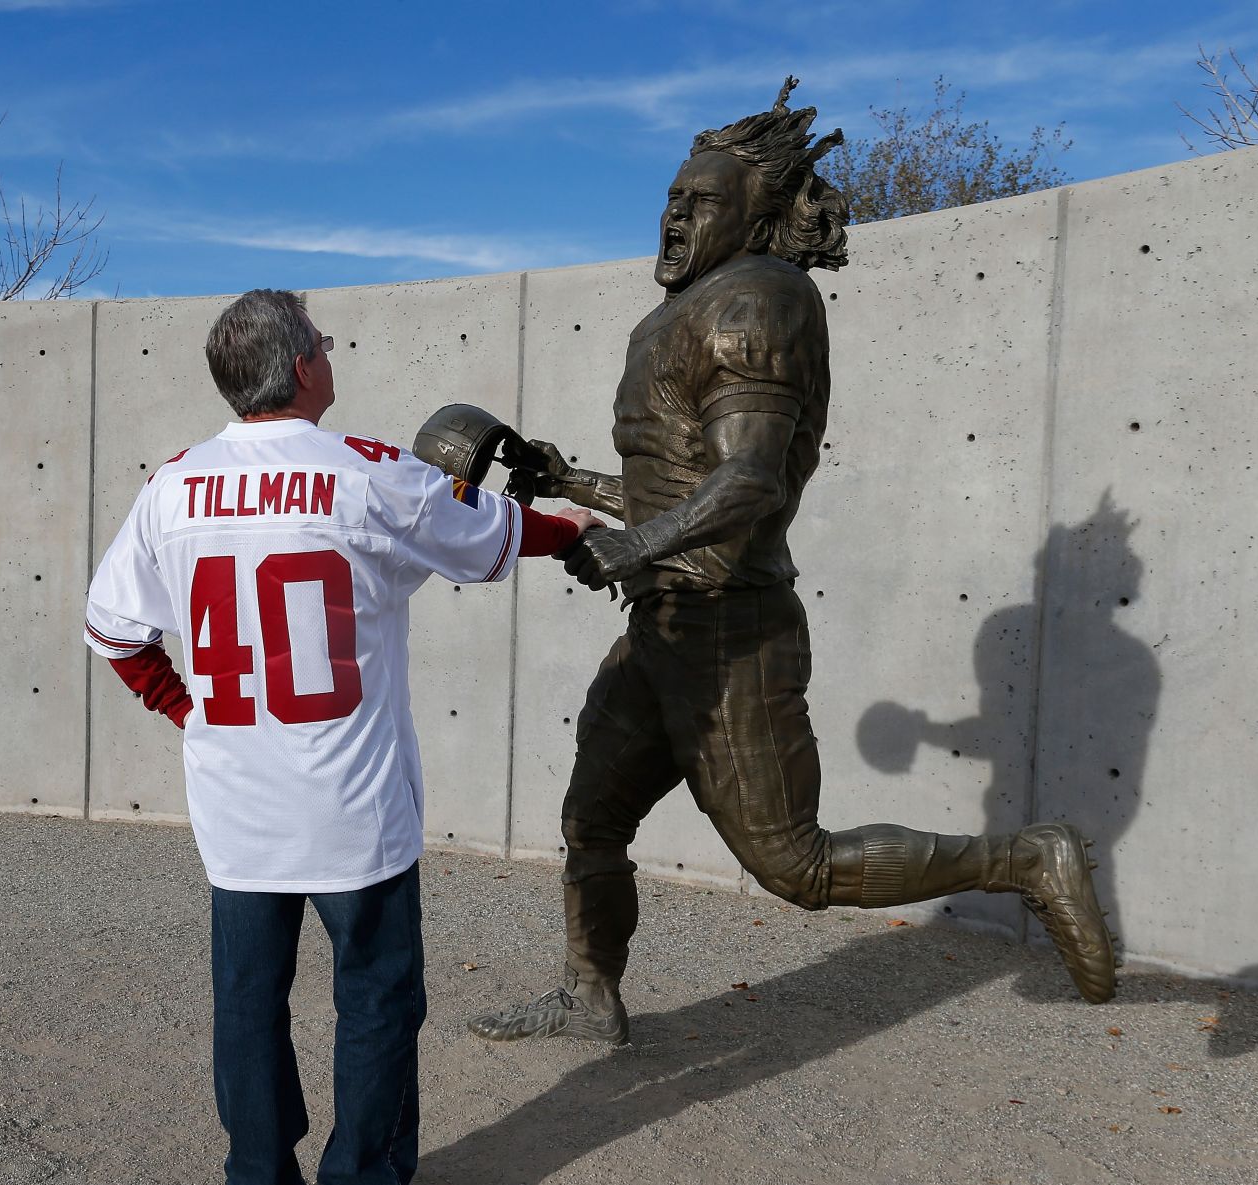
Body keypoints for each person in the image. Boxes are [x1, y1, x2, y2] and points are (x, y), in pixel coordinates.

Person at [465, 82, 1115, 1049]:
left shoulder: (756, 303)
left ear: (761, 214)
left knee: (796, 866)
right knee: (591, 818)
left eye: (702, 202)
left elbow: (753, 482)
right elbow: (679, 479)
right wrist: (569, 480)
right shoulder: (686, 310)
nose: (676, 216)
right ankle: (589, 995)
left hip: (728, 627)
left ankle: (1024, 858)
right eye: (672, 199)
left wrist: (633, 545)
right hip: (664, 626)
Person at [84, 289, 599, 1185]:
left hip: (236, 802)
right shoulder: (364, 471)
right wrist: (568, 528)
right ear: (303, 367)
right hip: (352, 802)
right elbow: (491, 531)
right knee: (375, 995)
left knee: (248, 998)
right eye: (322, 339)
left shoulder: (174, 484)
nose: (330, 348)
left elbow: (114, 629)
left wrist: (185, 704)